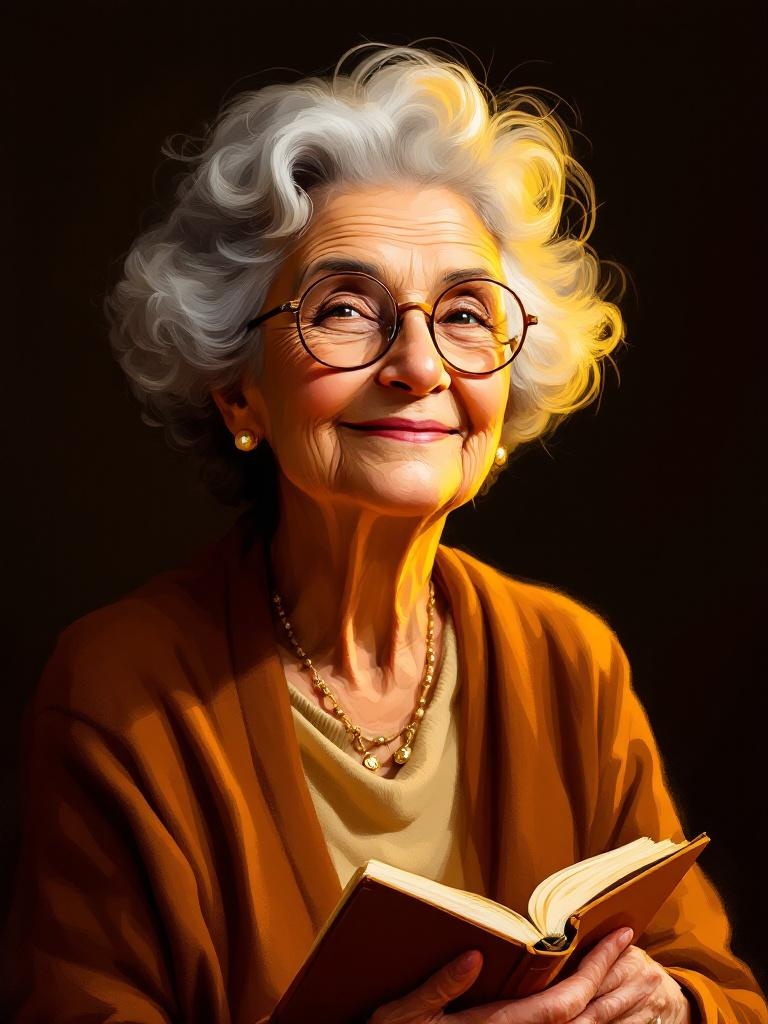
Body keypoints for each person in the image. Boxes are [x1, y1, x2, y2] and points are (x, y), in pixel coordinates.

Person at [1, 42, 764, 1024]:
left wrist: (672, 1006)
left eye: (465, 313)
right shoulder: (118, 691)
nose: (419, 365)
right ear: (240, 392)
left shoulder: (572, 661)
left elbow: (723, 989)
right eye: (346, 309)